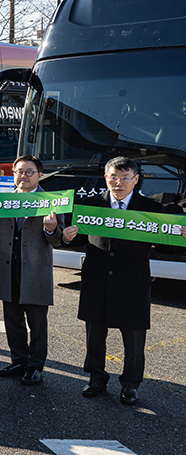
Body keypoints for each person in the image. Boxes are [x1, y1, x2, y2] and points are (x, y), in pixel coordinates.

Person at [62, 156, 186, 405]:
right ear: (106, 178)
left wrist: (182, 237)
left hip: (133, 282)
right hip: (97, 280)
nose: (119, 182)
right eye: (113, 177)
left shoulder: (150, 209)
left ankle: (130, 384)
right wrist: (65, 236)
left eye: (125, 177)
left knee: (134, 340)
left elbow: (165, 246)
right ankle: (96, 378)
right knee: (94, 336)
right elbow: (76, 240)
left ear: (136, 179)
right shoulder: (89, 206)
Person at [0, 155, 63, 385]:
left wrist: (52, 228)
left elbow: (57, 240)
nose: (23, 176)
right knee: (12, 320)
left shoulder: (51, 201)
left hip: (35, 272)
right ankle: (19, 360)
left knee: (37, 323)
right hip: (8, 268)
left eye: (29, 172)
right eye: (19, 172)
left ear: (39, 175)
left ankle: (35, 367)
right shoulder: (5, 199)